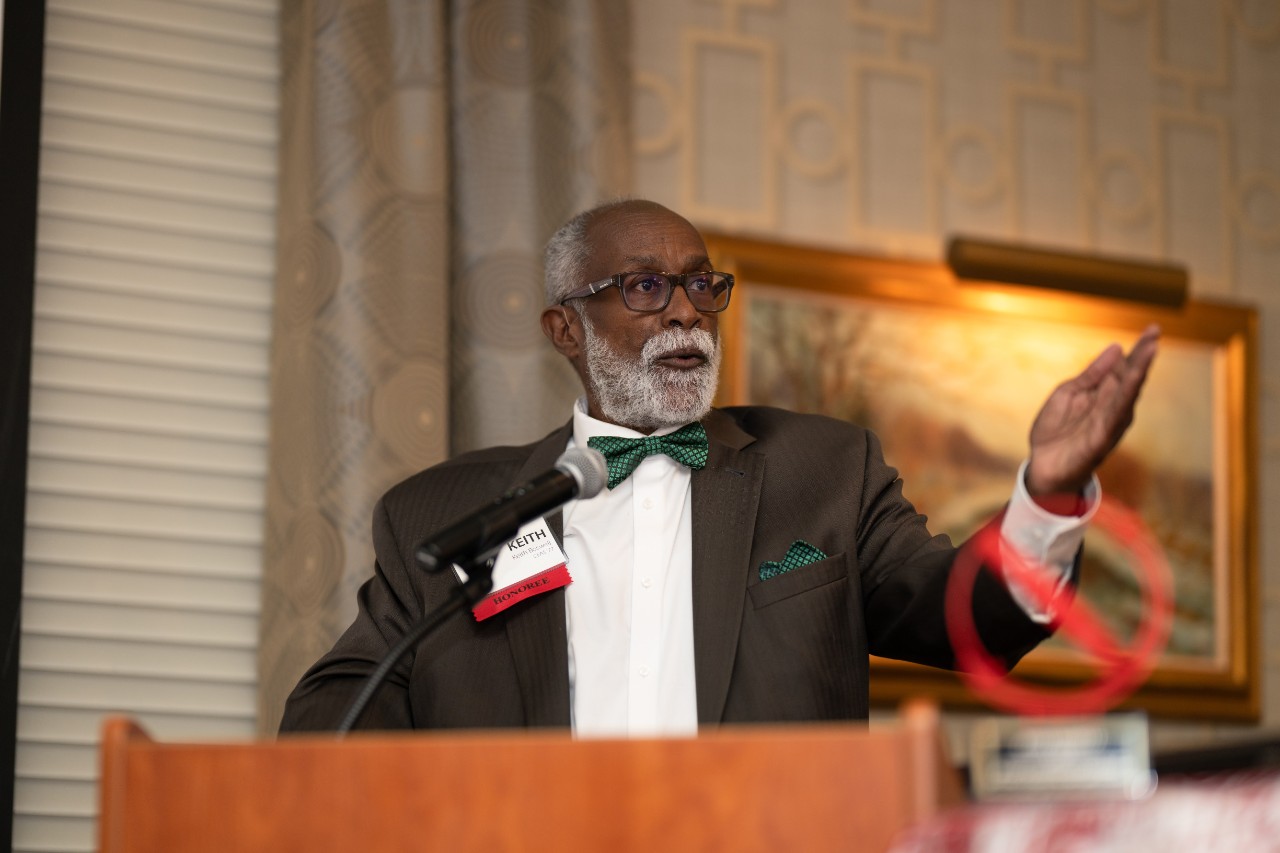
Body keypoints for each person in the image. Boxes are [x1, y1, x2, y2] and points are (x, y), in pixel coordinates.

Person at [279, 199, 1159, 736]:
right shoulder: (447, 511)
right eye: (644, 287)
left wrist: (1045, 490)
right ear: (565, 329)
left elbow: (971, 619)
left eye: (703, 286)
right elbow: (338, 714)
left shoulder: (822, 470)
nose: (686, 315)